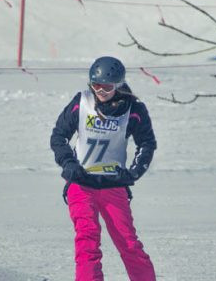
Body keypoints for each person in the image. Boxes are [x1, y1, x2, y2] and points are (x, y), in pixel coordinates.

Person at [50, 56, 157, 281]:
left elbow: (146, 143)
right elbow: (59, 136)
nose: (100, 91)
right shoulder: (82, 102)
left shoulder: (134, 109)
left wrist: (133, 173)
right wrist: (68, 163)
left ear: (118, 85)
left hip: (113, 185)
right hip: (81, 183)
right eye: (95, 85)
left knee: (129, 244)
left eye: (107, 87)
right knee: (87, 241)